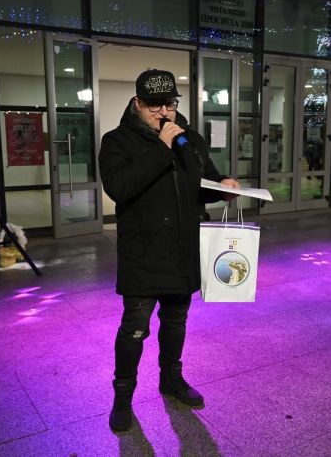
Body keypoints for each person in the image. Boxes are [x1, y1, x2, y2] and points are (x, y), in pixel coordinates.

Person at [98, 69, 239, 433]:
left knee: (176, 321)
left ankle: (171, 379)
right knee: (134, 329)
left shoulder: (190, 139)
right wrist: (161, 148)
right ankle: (123, 397)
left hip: (182, 249)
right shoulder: (116, 141)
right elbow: (120, 187)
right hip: (143, 253)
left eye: (170, 104)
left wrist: (222, 185)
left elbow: (202, 183)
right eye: (154, 105)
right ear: (137, 103)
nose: (164, 112)